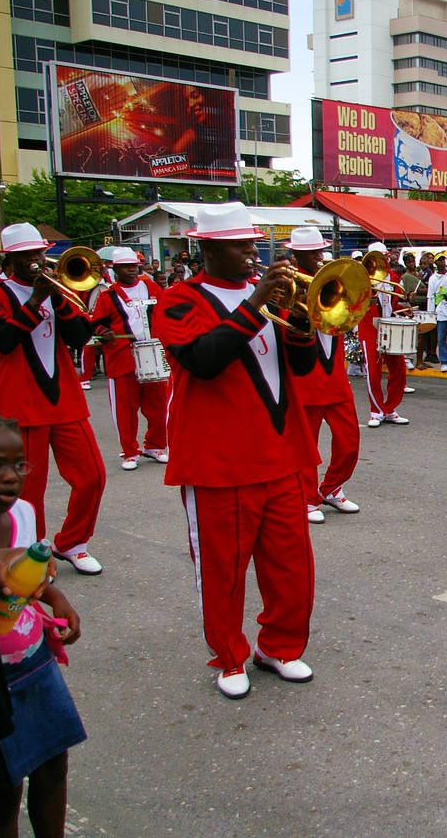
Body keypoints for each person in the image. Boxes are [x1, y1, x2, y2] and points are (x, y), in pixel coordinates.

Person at [154, 202, 321, 699]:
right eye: (241, 245)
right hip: (217, 461)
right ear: (207, 248)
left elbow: (305, 367)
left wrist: (303, 324)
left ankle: (280, 647)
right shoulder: (177, 299)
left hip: (282, 453)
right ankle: (229, 656)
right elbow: (204, 360)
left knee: (293, 568)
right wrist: (256, 307)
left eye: (253, 243)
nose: (253, 253)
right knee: (224, 572)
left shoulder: (270, 297)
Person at [0, 413, 86, 837]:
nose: (10, 477)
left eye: (19, 464)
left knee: (54, 766)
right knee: (4, 791)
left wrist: (57, 597)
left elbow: (33, 574)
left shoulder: (24, 512)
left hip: (36, 664)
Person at [0, 223, 106, 576]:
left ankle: (72, 543)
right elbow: (1, 341)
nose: (36, 260)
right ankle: (34, 555)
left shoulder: (57, 289)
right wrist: (34, 300)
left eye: (39, 253)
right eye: (27, 255)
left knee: (92, 476)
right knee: (28, 489)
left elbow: (80, 336)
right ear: (10, 259)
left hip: (65, 400)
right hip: (18, 404)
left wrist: (59, 299)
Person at [287, 227, 364, 524]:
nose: (319, 257)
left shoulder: (333, 279)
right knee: (307, 445)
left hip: (334, 377)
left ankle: (330, 488)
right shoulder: (287, 283)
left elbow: (348, 313)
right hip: (305, 380)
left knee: (349, 442)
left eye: (321, 251)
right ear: (297, 255)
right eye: (313, 253)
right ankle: (306, 498)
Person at [89, 246, 169, 471]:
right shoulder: (107, 296)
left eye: (134, 266)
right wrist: (104, 332)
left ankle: (156, 445)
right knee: (126, 408)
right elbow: (97, 325)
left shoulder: (152, 287)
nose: (132, 270)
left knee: (158, 404)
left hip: (152, 353)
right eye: (126, 267)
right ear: (116, 270)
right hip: (122, 355)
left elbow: (166, 313)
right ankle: (130, 451)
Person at [356, 241, 410, 428]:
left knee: (399, 370)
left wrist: (403, 309)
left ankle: (390, 409)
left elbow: (394, 303)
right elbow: (349, 306)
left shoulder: (393, 276)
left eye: (384, 257)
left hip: (390, 327)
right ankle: (376, 411)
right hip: (370, 329)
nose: (382, 261)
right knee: (373, 372)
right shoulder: (360, 278)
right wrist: (364, 303)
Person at [428, 254, 447, 370]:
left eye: (443, 260)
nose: (442, 262)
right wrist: (431, 313)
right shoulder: (433, 278)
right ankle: (445, 361)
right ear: (436, 263)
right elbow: (430, 296)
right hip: (440, 311)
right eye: (439, 261)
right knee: (441, 338)